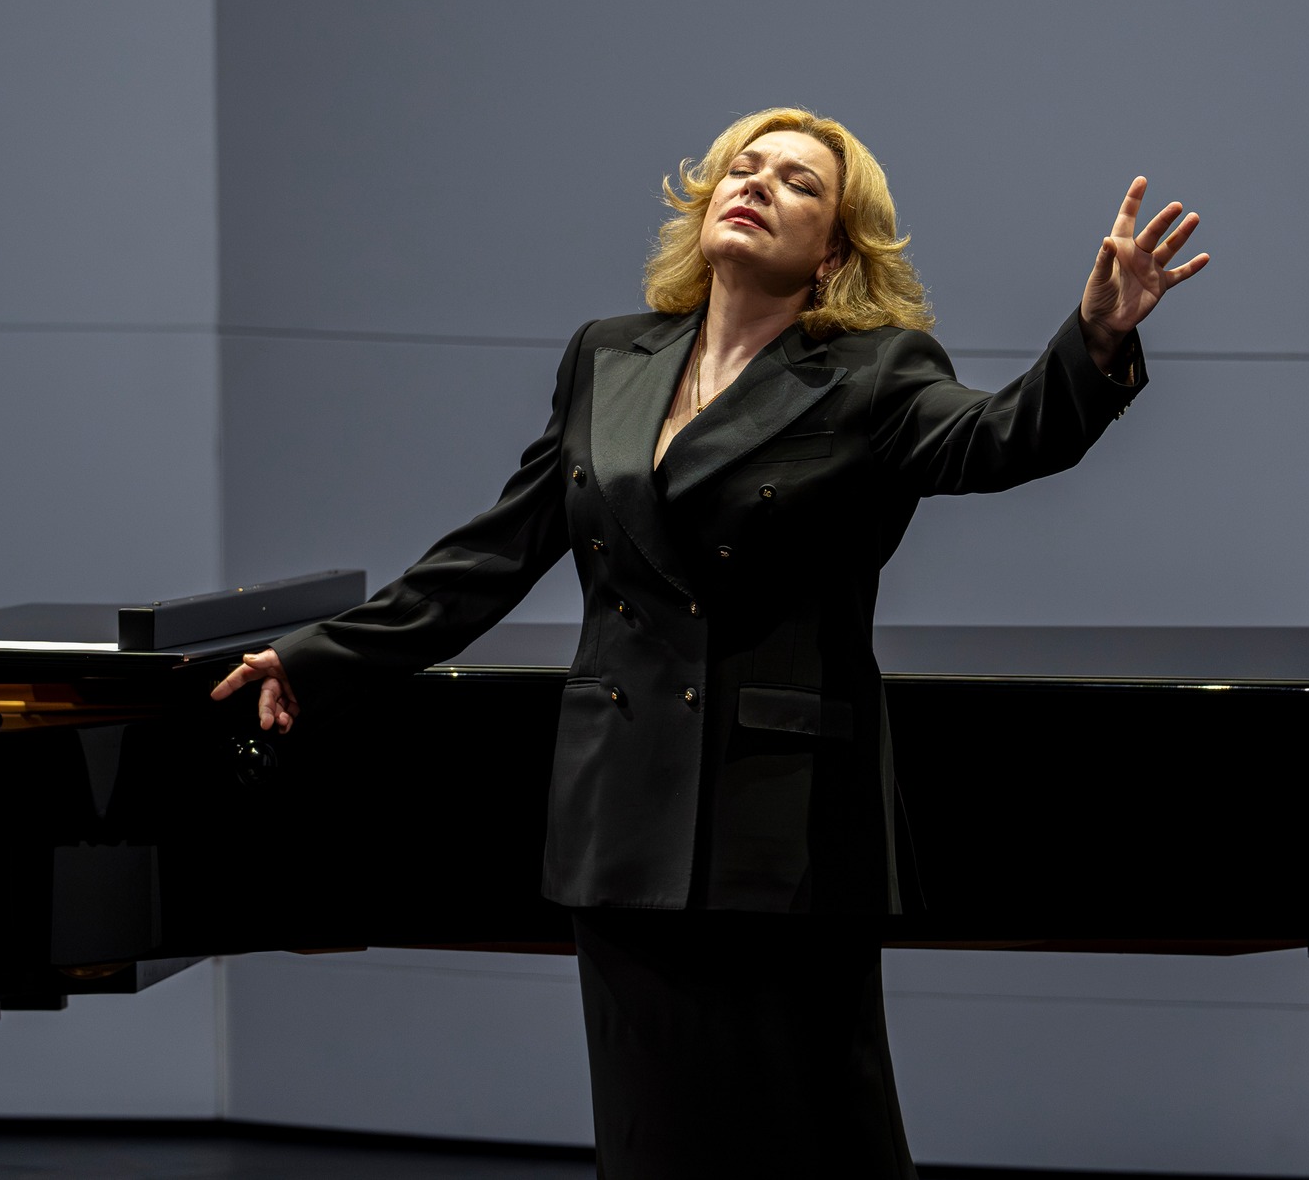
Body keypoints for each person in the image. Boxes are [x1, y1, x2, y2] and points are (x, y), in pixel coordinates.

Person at [211, 107, 1208, 1178]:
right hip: (620, 811)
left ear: (833, 253)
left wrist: (1096, 338)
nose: (757, 183)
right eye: (743, 166)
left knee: (811, 1143)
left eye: (798, 182)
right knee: (653, 1141)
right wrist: (320, 656)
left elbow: (1000, 438)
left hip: (781, 819)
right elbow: (493, 552)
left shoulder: (873, 371)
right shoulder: (607, 356)